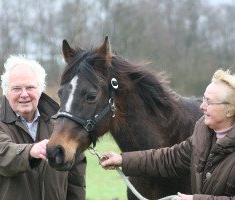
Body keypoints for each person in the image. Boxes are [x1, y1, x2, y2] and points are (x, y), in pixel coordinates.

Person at [100, 69, 235, 200]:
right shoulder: (203, 132)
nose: (202, 106)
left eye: (209, 102)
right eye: (204, 99)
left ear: (230, 110)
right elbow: (169, 159)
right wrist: (122, 160)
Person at [0, 55, 86, 200]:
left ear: (41, 89)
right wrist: (30, 151)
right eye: (16, 88)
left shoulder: (61, 125)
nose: (24, 94)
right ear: (6, 93)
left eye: (30, 87)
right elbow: (0, 154)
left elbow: (76, 178)